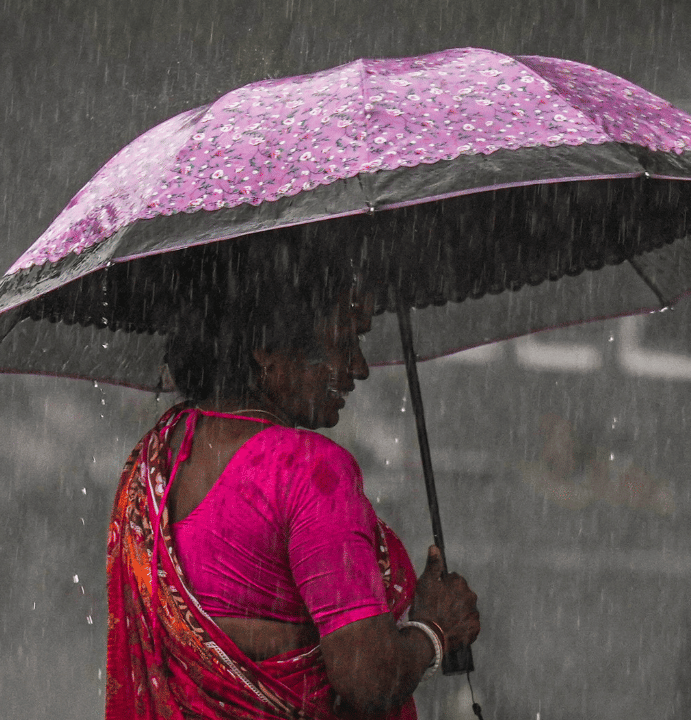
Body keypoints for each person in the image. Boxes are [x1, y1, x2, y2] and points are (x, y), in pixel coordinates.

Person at [105, 243, 481, 720]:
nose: (360, 368)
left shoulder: (155, 459)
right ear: (267, 351)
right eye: (345, 343)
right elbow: (368, 678)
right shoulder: (309, 470)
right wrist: (436, 630)